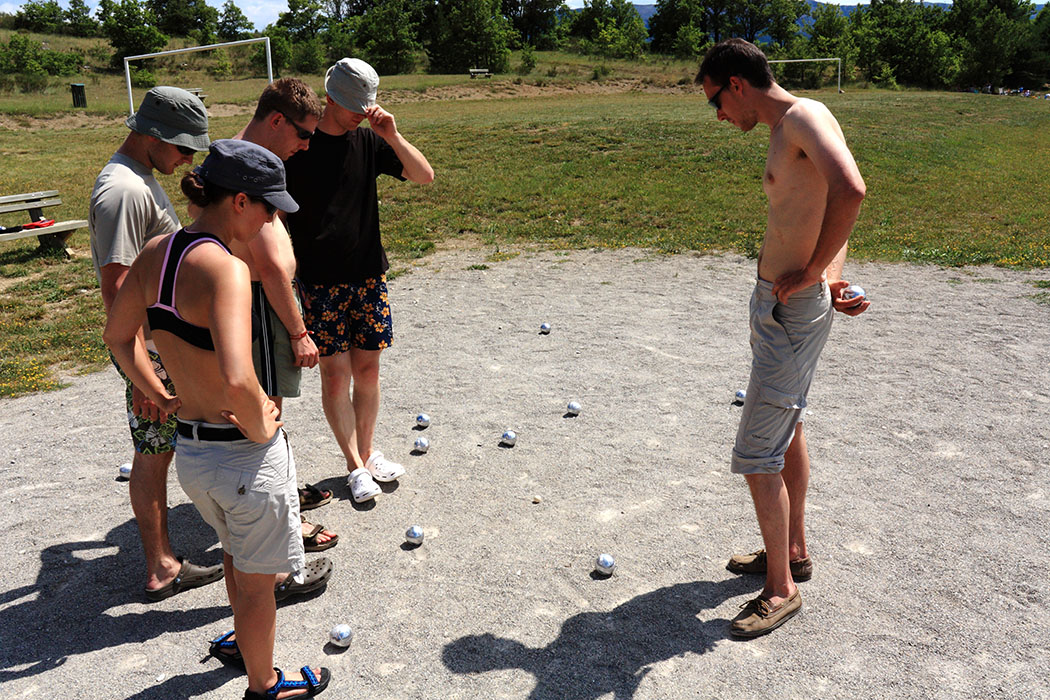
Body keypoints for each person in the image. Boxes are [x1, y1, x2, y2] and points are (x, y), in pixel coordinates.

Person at [104, 140, 332, 699]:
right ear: (237, 201)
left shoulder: (157, 252)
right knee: (259, 583)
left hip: (195, 454)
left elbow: (117, 335)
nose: (274, 218)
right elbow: (236, 376)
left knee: (235, 551)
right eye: (269, 206)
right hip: (242, 454)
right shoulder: (226, 270)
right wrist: (263, 427)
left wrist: (157, 390)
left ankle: (242, 643)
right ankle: (265, 683)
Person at [696, 39, 869, 638]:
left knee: (755, 452)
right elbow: (824, 205)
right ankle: (791, 551)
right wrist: (832, 274)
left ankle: (780, 589)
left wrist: (819, 273)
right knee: (787, 426)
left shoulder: (804, 116)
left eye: (716, 101)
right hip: (777, 305)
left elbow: (851, 189)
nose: (719, 115)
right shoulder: (790, 128)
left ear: (736, 84)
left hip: (790, 311)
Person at [88, 86, 224, 601]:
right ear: (153, 136)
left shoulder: (139, 178)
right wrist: (144, 371)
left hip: (161, 346)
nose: (188, 158)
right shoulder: (122, 191)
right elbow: (117, 287)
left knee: (159, 448)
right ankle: (162, 565)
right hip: (152, 351)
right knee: (153, 451)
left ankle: (166, 558)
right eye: (184, 147)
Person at [284, 58, 434, 502]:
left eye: (364, 107)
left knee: (368, 370)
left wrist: (391, 135)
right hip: (319, 281)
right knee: (336, 375)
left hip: (368, 276)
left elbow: (424, 176)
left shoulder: (369, 142)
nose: (359, 114)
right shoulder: (301, 147)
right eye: (352, 106)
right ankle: (353, 465)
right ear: (329, 98)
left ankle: (368, 455)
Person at [231, 77, 337, 551]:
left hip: (256, 303)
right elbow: (270, 265)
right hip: (259, 306)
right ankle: (281, 525)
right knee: (265, 416)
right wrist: (298, 332)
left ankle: (281, 497)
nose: (307, 145)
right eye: (303, 134)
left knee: (266, 414)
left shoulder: (240, 156)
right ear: (276, 120)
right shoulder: (242, 167)